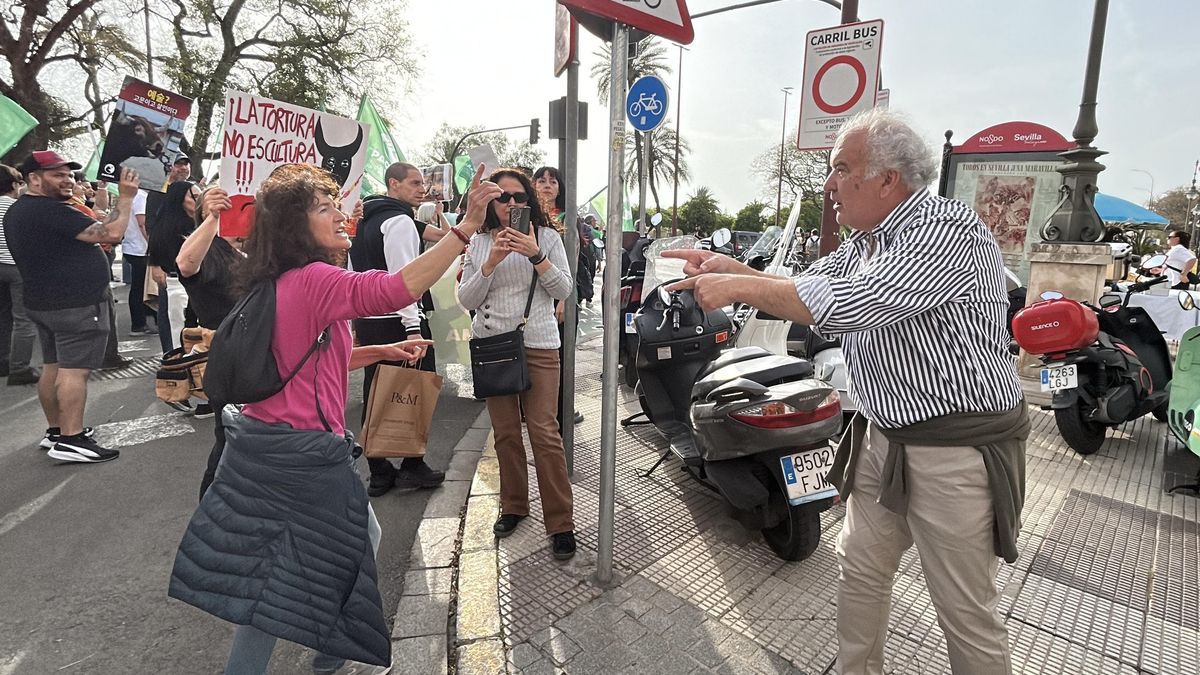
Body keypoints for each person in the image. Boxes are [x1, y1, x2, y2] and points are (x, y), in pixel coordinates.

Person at [665, 109, 1028, 675]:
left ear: (888, 178)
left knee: (965, 609)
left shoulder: (946, 227)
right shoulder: (866, 240)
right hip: (885, 436)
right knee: (859, 567)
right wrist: (732, 266)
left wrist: (734, 284)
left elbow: (853, 302)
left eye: (841, 168)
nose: (830, 185)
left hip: (953, 449)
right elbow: (812, 285)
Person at [168, 163, 500, 674]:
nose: (341, 214)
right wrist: (466, 227)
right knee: (325, 558)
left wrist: (383, 349)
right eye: (324, 208)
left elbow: (305, 360)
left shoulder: (279, 280)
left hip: (264, 446)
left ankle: (328, 657)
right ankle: (330, 659)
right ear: (295, 226)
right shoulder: (316, 280)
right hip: (301, 455)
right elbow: (396, 288)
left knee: (292, 566)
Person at [457, 168, 577, 561]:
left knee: (544, 432)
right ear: (490, 202)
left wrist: (535, 255)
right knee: (506, 433)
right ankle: (514, 506)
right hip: (493, 346)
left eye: (519, 197)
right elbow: (468, 300)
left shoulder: (546, 237)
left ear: (530, 201)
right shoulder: (477, 242)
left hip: (539, 344)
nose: (511, 204)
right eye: (503, 197)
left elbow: (564, 290)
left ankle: (560, 523)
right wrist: (490, 261)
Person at [4, 152, 141, 463]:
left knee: (54, 367)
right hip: (75, 304)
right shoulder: (50, 211)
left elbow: (97, 227)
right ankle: (71, 438)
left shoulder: (22, 209)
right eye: (57, 174)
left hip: (46, 303)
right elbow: (112, 234)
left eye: (68, 174)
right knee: (73, 372)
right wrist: (127, 197)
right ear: (34, 178)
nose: (67, 179)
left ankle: (57, 430)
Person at [350, 162, 449, 497]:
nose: (421, 189)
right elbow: (405, 279)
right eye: (414, 183)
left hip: (368, 318)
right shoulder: (400, 221)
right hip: (398, 320)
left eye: (422, 183)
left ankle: (379, 471)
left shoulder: (363, 218)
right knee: (416, 391)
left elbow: (353, 272)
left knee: (375, 392)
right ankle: (411, 464)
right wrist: (412, 327)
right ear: (394, 184)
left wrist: (354, 319)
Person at [149, 180, 206, 408]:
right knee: (186, 341)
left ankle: (188, 390)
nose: (199, 201)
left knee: (184, 339)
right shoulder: (182, 226)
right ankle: (179, 390)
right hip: (183, 288)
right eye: (194, 196)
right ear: (181, 198)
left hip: (181, 288)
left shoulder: (172, 223)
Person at [0, 164, 39, 385]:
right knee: (23, 319)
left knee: (2, 316)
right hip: (16, 266)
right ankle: (20, 368)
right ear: (14, 185)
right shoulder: (16, 208)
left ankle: (3, 360)